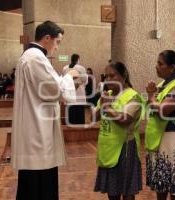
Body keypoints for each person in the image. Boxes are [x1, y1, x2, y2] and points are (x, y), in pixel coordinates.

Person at [11, 20, 78, 200]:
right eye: (57, 42)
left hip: (34, 127)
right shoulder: (35, 58)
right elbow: (56, 90)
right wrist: (69, 77)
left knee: (33, 184)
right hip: (37, 133)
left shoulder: (31, 56)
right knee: (39, 186)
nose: (57, 48)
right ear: (47, 38)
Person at [145, 50, 175, 200]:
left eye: (160, 64)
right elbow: (151, 105)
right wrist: (151, 98)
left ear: (172, 67)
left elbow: (163, 110)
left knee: (173, 181)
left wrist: (151, 96)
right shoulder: (163, 84)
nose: (156, 67)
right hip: (160, 135)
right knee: (161, 180)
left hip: (173, 137)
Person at [93, 62, 143, 200]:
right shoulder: (107, 94)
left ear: (124, 75)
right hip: (107, 148)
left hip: (125, 147)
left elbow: (125, 119)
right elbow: (93, 117)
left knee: (127, 189)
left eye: (112, 76)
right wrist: (102, 104)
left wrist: (107, 107)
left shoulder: (133, 96)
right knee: (112, 188)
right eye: (105, 76)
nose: (108, 80)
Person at [63, 53, 88, 124]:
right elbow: (85, 80)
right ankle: (79, 129)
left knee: (71, 113)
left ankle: (70, 127)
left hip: (69, 93)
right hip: (79, 93)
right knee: (79, 114)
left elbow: (64, 80)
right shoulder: (81, 68)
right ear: (78, 60)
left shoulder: (65, 68)